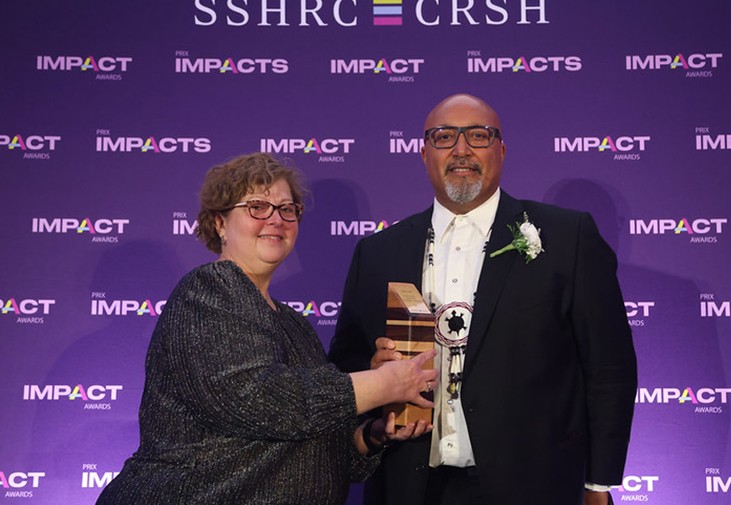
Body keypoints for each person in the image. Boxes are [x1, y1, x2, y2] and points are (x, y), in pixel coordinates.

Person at [328, 94, 638, 505]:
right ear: (423, 153)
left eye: (478, 135)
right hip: (409, 483)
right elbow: (344, 365)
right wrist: (373, 371)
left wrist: (597, 482)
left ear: (501, 150)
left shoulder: (567, 238)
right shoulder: (377, 252)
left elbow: (609, 367)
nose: (461, 149)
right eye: (444, 137)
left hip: (535, 485)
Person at [97, 153, 437, 505]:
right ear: (220, 223)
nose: (276, 219)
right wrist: (382, 384)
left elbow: (312, 439)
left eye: (287, 209)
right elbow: (259, 400)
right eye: (257, 207)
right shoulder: (209, 290)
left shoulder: (294, 324)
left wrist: (371, 434)